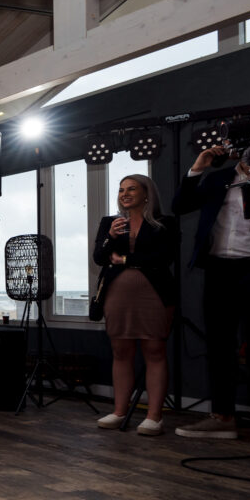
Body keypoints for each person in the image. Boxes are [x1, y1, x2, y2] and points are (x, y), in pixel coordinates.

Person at [172, 145, 250, 439]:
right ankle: (223, 417)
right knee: (220, 347)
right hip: (220, 270)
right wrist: (198, 167)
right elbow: (180, 205)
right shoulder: (219, 179)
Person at [92, 175, 177, 436]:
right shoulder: (110, 222)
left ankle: (154, 417)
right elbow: (99, 257)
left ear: (147, 193)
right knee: (121, 351)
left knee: (154, 350)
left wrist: (125, 259)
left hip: (154, 293)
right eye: (121, 190)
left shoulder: (165, 223)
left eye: (131, 189)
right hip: (117, 294)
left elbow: (162, 258)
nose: (124, 194)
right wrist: (110, 236)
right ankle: (119, 412)